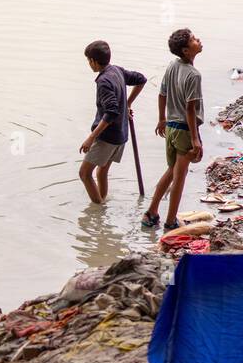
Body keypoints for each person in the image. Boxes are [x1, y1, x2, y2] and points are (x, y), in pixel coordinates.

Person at [143, 28, 204, 231]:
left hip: (170, 127)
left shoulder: (172, 66)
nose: (199, 40)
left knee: (171, 172)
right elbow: (190, 108)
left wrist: (162, 119)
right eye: (194, 39)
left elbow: (162, 95)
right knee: (179, 177)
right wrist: (196, 139)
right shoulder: (193, 75)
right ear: (186, 50)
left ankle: (151, 212)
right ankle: (170, 221)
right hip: (184, 130)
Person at [78, 41, 146, 204]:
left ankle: (98, 207)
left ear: (93, 61)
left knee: (85, 174)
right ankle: (102, 206)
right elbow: (141, 79)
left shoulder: (103, 82)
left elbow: (111, 112)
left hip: (107, 137)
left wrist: (91, 138)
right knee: (102, 172)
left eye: (89, 60)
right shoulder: (117, 70)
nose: (89, 64)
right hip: (121, 135)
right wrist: (128, 103)